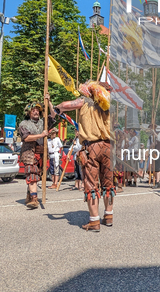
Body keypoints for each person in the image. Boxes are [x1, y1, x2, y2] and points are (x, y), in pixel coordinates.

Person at [54, 81, 113, 232]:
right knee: (108, 183)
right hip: (107, 146)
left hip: (92, 146)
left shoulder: (86, 102)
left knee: (91, 184)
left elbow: (67, 105)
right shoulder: (106, 107)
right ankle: (108, 216)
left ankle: (94, 221)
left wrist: (57, 108)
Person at [18, 94, 56, 209]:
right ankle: (34, 199)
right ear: (29, 112)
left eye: (37, 110)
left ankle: (30, 195)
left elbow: (54, 114)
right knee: (32, 173)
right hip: (29, 152)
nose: (35, 112)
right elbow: (26, 138)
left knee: (37, 175)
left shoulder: (43, 122)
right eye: (33, 110)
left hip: (41, 152)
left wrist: (49, 101)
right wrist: (42, 134)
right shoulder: (24, 124)